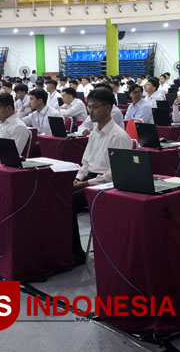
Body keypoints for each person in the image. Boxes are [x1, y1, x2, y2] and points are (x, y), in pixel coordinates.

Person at [71, 89, 132, 264]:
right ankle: (63, 249)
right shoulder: (95, 132)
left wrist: (85, 183)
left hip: (107, 184)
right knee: (58, 196)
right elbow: (85, 162)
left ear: (107, 108)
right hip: (90, 179)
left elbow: (115, 174)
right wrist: (78, 178)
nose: (90, 112)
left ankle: (75, 253)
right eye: (89, 107)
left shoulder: (119, 136)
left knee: (69, 201)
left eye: (94, 108)